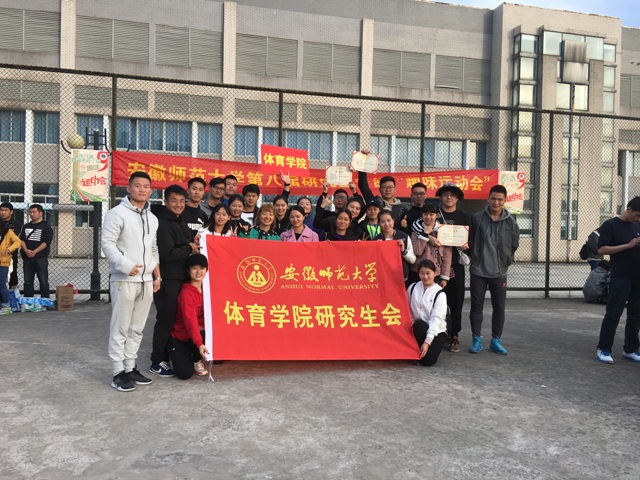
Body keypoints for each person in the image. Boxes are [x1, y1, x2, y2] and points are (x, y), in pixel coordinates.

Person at [101, 171, 160, 392]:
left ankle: (130, 367)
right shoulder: (116, 214)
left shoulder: (152, 218)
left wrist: (157, 275)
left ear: (151, 191)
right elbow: (107, 244)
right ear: (128, 188)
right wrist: (125, 265)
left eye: (146, 186)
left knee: (137, 329)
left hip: (146, 281)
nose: (142, 190)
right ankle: (118, 373)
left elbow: (153, 248)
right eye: (137, 185)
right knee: (121, 327)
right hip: (123, 279)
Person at [150, 185, 201, 377]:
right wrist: (189, 248)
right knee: (166, 319)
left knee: (175, 319)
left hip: (178, 278)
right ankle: (157, 361)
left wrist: (192, 242)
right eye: (174, 201)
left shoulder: (178, 220)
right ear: (165, 202)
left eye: (181, 201)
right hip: (167, 280)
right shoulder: (163, 223)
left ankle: (170, 355)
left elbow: (183, 243)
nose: (178, 204)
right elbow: (167, 254)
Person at [467, 185, 520, 355]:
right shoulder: (477, 218)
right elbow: (470, 239)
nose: (496, 202)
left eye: (500, 199)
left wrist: (506, 260)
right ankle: (476, 340)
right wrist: (473, 256)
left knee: (499, 307)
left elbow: (514, 243)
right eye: (493, 199)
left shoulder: (511, 221)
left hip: (499, 272)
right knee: (476, 306)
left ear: (505, 201)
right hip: (478, 270)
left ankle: (496, 341)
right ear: (488, 199)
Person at [595, 197, 640, 364]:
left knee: (636, 314)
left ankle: (630, 349)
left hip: (637, 276)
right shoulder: (610, 225)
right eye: (637, 215)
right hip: (620, 276)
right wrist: (628, 245)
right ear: (628, 209)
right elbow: (601, 249)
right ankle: (604, 348)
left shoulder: (638, 224)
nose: (638, 219)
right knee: (614, 313)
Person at [434, 181, 470, 353]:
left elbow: (472, 239)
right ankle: (440, 332)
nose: (448, 197)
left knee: (456, 301)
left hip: (456, 266)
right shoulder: (435, 215)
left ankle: (455, 334)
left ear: (457, 198)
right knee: (437, 301)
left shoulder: (464, 217)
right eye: (445, 194)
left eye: (452, 195)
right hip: (436, 265)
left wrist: (467, 245)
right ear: (440, 197)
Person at [169, 253, 210, 380]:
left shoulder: (208, 291)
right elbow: (190, 321)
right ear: (188, 270)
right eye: (194, 268)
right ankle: (177, 353)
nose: (198, 272)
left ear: (207, 270)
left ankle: (196, 358)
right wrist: (199, 343)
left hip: (196, 335)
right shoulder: (186, 293)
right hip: (180, 337)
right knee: (185, 373)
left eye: (202, 268)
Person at [407, 260, 448, 366]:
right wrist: (411, 320)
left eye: (428, 273)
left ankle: (421, 349)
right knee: (419, 325)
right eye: (422, 273)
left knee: (428, 361)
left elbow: (436, 319)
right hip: (418, 328)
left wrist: (427, 342)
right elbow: (407, 308)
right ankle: (415, 350)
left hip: (435, 331)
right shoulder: (412, 288)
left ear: (435, 273)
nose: (425, 276)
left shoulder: (440, 293)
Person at [409, 203, 452, 287]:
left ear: (437, 215)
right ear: (422, 215)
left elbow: (447, 256)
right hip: (417, 272)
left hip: (436, 273)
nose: (428, 217)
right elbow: (417, 251)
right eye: (425, 214)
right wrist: (425, 234)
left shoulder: (443, 231)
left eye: (431, 214)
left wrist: (444, 277)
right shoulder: (415, 231)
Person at [20, 204, 53, 299]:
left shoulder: (46, 227)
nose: (32, 214)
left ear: (40, 213)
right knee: (27, 281)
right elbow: (22, 240)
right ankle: (28, 300)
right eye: (30, 212)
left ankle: (45, 300)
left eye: (34, 212)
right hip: (27, 258)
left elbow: (46, 242)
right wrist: (26, 250)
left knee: (43, 280)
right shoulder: (26, 226)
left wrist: (34, 252)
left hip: (41, 258)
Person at [375, 210, 416, 282]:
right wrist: (376, 250)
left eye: (389, 220)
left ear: (393, 221)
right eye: (382, 222)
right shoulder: (376, 240)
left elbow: (413, 260)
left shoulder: (404, 236)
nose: (386, 224)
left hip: (401, 279)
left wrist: (403, 251)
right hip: (383, 279)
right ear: (379, 223)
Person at [0, 202, 22, 290]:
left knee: (12, 274)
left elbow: (15, 236)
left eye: (6, 210)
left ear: (11, 212)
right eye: (1, 210)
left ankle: (12, 292)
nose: (3, 212)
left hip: (11, 253)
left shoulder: (16, 223)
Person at [0, 221, 21, 314]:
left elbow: (18, 241)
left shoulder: (8, 232)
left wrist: (9, 249)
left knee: (1, 283)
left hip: (3, 261)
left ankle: (6, 304)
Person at [183, 177, 209, 241]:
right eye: (194, 189)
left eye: (200, 190)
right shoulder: (180, 211)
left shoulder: (204, 215)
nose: (197, 192)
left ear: (204, 193)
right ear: (188, 191)